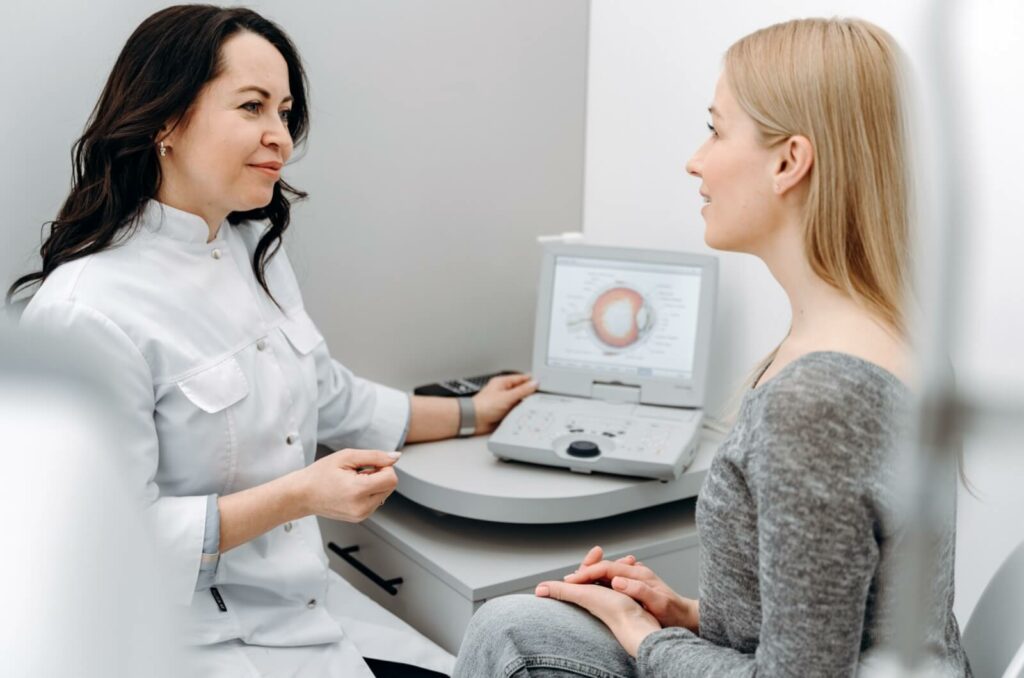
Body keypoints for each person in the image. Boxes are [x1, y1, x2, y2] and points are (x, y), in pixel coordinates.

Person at [9, 5, 536, 677]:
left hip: (309, 618)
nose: (280, 138)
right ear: (165, 121)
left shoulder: (252, 247)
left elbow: (330, 393)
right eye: (252, 107)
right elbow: (108, 543)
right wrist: (302, 496)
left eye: (285, 113)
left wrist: (471, 413)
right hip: (193, 647)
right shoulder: (88, 309)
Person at [453, 17, 973, 677]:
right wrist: (684, 613)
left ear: (789, 161)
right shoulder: (893, 337)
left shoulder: (819, 401)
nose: (695, 161)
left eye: (714, 129)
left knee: (506, 630)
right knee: (514, 627)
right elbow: (840, 619)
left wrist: (645, 638)